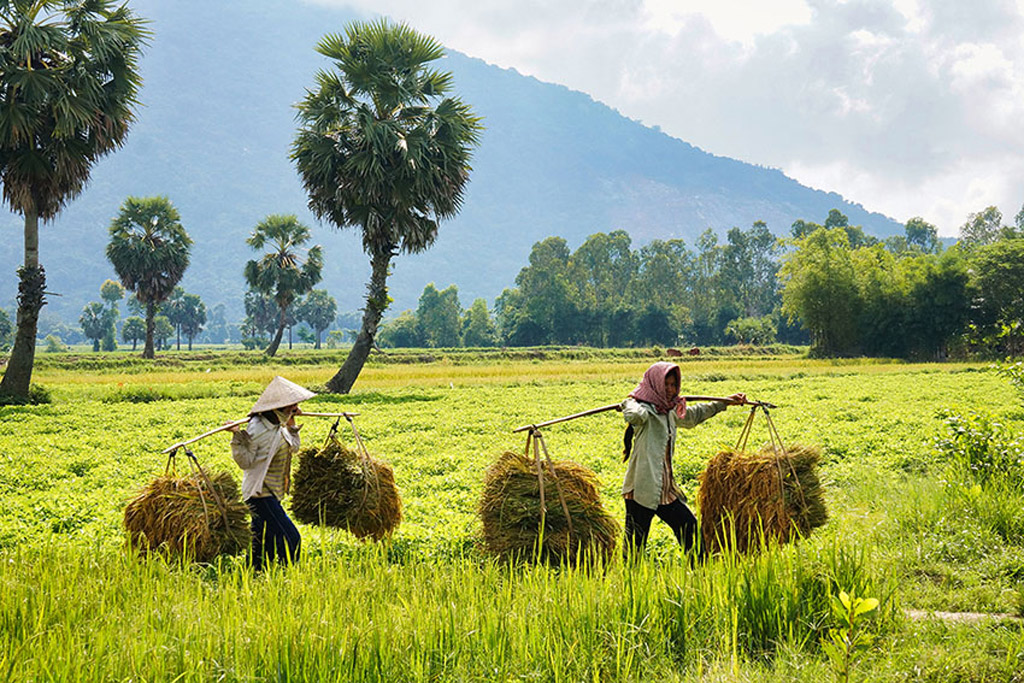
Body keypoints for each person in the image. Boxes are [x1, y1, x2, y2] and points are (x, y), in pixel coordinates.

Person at [620, 361, 745, 556]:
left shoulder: (670, 411)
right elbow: (635, 417)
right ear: (656, 385)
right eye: (666, 385)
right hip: (641, 490)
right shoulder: (646, 412)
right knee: (634, 549)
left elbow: (695, 415)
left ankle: (700, 574)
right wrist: (630, 402)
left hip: (665, 489)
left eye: (673, 385)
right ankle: (629, 582)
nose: (670, 390)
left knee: (690, 529)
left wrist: (725, 402)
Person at [227, 375, 315, 571]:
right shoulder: (258, 428)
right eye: (292, 405)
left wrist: (291, 422)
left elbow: (293, 448)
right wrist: (237, 435)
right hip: (259, 495)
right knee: (290, 538)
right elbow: (246, 461)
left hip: (273, 493)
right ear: (279, 407)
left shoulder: (279, 426)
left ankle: (255, 576)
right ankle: (287, 576)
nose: (296, 407)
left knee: (262, 544)